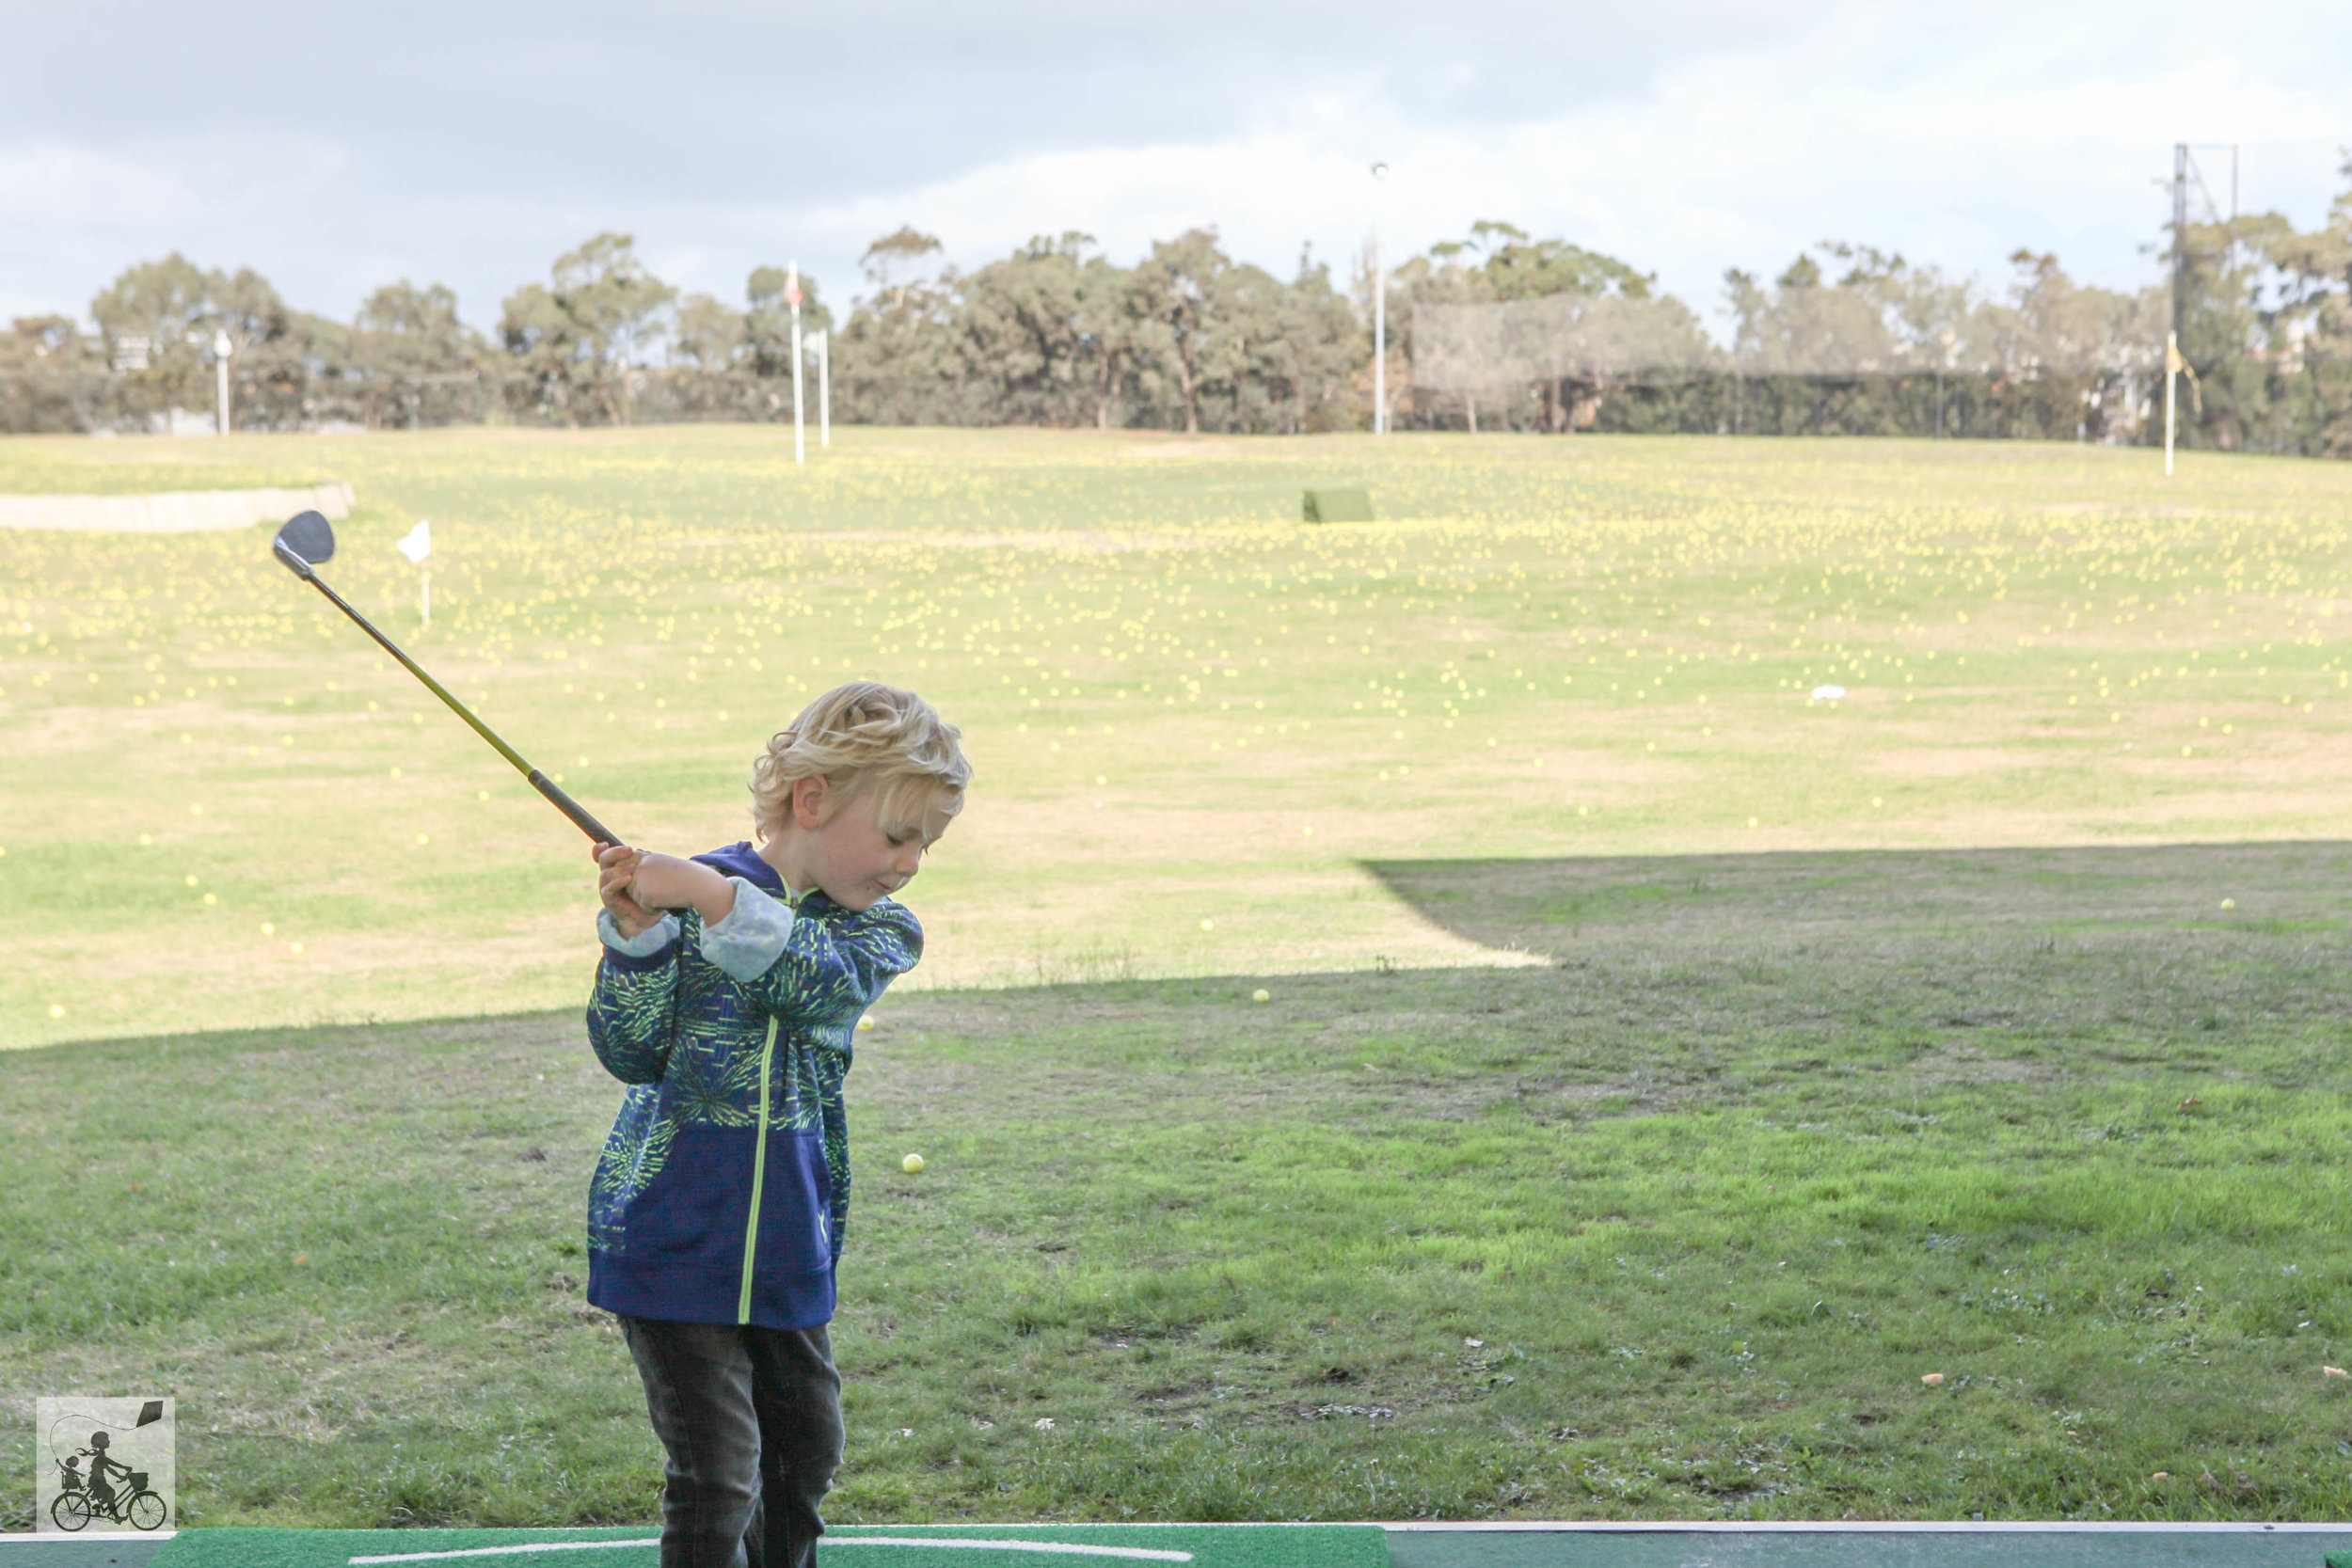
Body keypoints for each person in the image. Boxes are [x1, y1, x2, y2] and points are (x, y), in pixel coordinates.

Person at [585, 682, 970, 1568]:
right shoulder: (689, 896)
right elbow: (631, 1051)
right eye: (899, 833)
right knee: (720, 1471)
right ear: (812, 799)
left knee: (806, 1451)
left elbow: (818, 986)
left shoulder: (879, 931)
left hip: (790, 1238)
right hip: (671, 1234)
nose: (911, 861)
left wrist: (713, 902)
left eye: (927, 843)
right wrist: (639, 938)